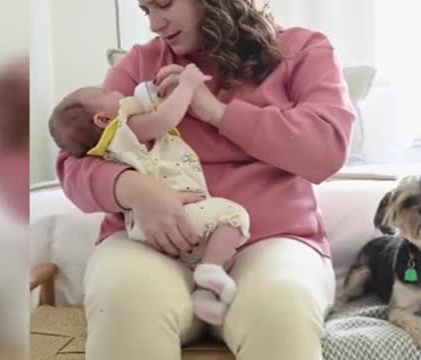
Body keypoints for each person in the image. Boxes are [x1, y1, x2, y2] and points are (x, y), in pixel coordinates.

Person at [55, 0, 355, 359]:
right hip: (155, 245)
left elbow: (326, 150)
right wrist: (134, 189)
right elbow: (75, 160)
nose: (154, 23)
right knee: (123, 299)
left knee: (280, 307)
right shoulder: (139, 64)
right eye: (144, 10)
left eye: (163, 4)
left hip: (271, 240)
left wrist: (215, 111)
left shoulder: (304, 50)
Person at [49, 64, 250, 325]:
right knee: (233, 218)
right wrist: (188, 85)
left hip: (146, 228)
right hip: (177, 214)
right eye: (107, 93)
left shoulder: (107, 147)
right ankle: (210, 270)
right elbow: (165, 119)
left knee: (215, 253)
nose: (117, 93)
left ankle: (205, 295)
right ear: (102, 120)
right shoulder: (123, 130)